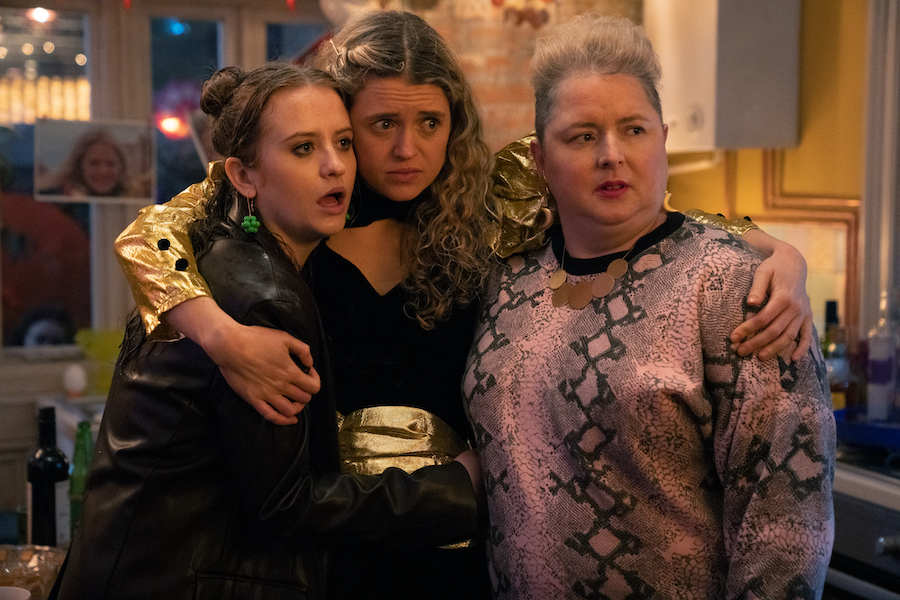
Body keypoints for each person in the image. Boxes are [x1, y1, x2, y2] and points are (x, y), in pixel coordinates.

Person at [113, 10, 813, 599]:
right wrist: (219, 334)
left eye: (430, 122)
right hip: (311, 553)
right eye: (380, 125)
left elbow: (637, 209)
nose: (407, 149)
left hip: (458, 553)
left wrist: (776, 250)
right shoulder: (287, 213)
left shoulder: (490, 214)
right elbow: (149, 235)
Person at [50, 62, 485, 600]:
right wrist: (455, 488)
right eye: (303, 148)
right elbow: (286, 502)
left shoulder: (225, 255)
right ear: (242, 176)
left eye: (343, 143)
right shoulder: (263, 296)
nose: (335, 166)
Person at [462, 14, 835, 599]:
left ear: (662, 138)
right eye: (583, 136)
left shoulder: (736, 289)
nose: (611, 155)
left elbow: (785, 527)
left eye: (633, 130)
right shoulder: (507, 279)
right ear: (539, 158)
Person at [40, 128, 131, 198]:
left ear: (122, 167)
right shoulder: (53, 199)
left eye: (111, 164)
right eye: (94, 163)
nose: (103, 171)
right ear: (79, 166)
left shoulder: (133, 201)